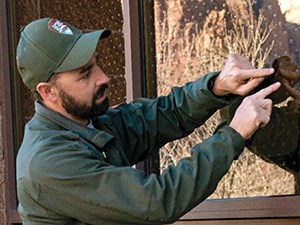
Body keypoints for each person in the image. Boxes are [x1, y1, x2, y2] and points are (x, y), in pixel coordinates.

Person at [16, 18, 280, 225]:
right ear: (48, 92)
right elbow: (158, 201)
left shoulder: (89, 123)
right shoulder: (48, 162)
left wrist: (217, 86)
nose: (104, 77)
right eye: (85, 74)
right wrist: (233, 133)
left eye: (96, 64)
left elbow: (164, 115)